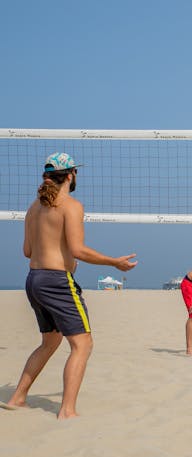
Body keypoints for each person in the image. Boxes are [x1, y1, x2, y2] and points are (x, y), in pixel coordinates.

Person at [1, 153, 137, 420]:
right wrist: (113, 263)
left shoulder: (33, 208)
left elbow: (28, 251)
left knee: (50, 341)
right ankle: (67, 410)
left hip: (34, 280)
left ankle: (17, 398)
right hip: (56, 281)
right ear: (72, 175)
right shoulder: (70, 205)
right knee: (83, 344)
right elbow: (78, 249)